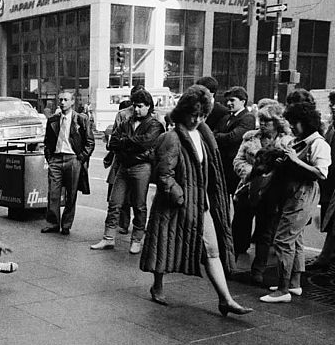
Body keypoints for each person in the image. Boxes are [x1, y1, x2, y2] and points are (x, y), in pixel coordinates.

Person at [140, 85, 253, 317]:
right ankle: (157, 285)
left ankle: (226, 299)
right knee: (164, 243)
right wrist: (178, 195)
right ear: (184, 111)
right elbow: (163, 174)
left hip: (199, 203)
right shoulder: (171, 138)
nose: (198, 119)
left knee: (211, 250)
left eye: (202, 115)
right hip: (176, 203)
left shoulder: (202, 134)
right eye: (194, 114)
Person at [260, 102, 332, 303]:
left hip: (303, 193)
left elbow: (321, 173)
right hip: (291, 193)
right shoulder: (299, 141)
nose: (292, 127)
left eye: (295, 123)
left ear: (305, 123)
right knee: (296, 239)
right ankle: (294, 283)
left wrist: (295, 161)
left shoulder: (319, 144)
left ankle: (282, 290)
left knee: (283, 240)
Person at [92, 88, 162, 253]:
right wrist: (131, 144)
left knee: (139, 204)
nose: (136, 109)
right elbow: (113, 143)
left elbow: (146, 143)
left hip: (140, 167)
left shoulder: (155, 125)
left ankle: (136, 239)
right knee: (114, 203)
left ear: (148, 106)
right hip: (126, 166)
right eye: (135, 106)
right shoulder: (127, 122)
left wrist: (125, 142)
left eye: (140, 106)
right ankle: (108, 237)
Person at [230, 101, 293, 284]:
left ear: (277, 122)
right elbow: (238, 161)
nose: (263, 124)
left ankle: (258, 270)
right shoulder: (250, 138)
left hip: (272, 192)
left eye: (267, 120)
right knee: (239, 227)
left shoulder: (287, 141)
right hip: (248, 188)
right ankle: (231, 265)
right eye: (261, 120)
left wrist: (277, 170)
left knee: (265, 233)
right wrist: (252, 172)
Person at [42, 89, 95, 236]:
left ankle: (66, 224)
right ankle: (52, 223)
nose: (63, 102)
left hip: (73, 159)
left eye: (66, 100)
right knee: (53, 193)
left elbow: (90, 142)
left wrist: (81, 158)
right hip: (56, 159)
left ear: (72, 102)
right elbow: (47, 142)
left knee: (71, 195)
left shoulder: (81, 119)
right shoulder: (53, 120)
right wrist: (50, 158)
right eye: (61, 100)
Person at [214, 86, 256, 198]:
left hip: (236, 167)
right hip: (224, 165)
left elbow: (232, 138)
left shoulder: (248, 118)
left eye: (232, 100)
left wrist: (218, 136)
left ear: (243, 101)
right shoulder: (226, 117)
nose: (228, 103)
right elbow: (217, 134)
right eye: (227, 100)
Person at [309, 91, 335, 275]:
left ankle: (325, 257)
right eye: (332, 103)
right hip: (330, 180)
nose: (333, 107)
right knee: (331, 220)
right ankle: (326, 257)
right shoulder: (332, 126)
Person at [103, 100, 133, 235]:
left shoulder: (123, 115)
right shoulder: (123, 116)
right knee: (121, 196)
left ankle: (122, 224)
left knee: (123, 196)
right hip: (121, 159)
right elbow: (114, 139)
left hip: (125, 160)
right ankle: (121, 224)